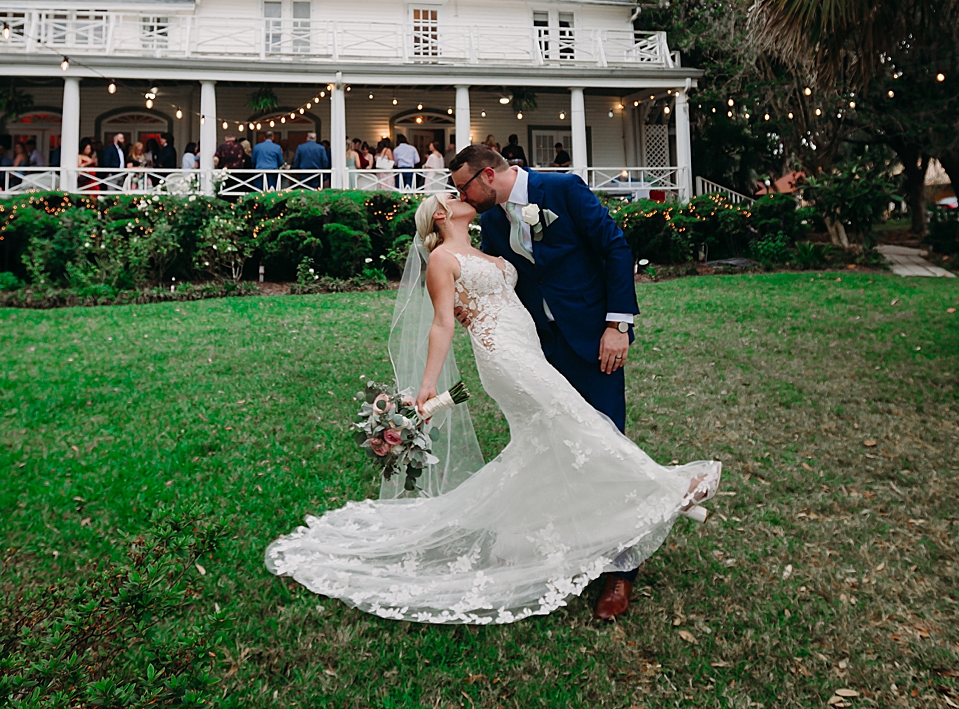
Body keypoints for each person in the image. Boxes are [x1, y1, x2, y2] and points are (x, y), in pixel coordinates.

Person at [264, 188, 717, 624]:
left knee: (548, 441)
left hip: (529, 347)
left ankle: (521, 541)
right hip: (502, 355)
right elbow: (442, 323)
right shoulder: (441, 260)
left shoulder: (489, 249)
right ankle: (671, 489)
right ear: (440, 214)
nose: (460, 197)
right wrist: (426, 385)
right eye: (451, 195)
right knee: (576, 421)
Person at [452, 143, 654, 619]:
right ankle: (572, 546)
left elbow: (615, 248)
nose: (460, 196)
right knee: (558, 445)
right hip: (540, 347)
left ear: (486, 175)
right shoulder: (496, 220)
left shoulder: (562, 188)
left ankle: (620, 571)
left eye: (462, 186)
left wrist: (617, 325)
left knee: (604, 442)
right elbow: (505, 279)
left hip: (594, 337)